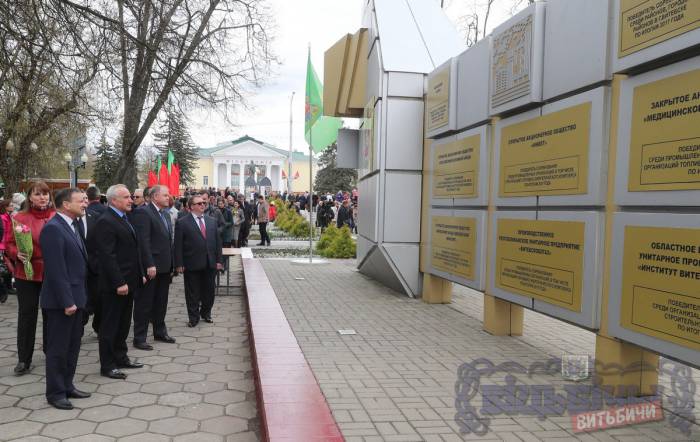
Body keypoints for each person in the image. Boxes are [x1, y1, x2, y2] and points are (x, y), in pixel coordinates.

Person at [39, 188, 91, 410]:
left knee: (72, 347)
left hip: (77, 297)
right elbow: (57, 271)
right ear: (65, 205)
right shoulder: (53, 229)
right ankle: (56, 392)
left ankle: (67, 385)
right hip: (62, 302)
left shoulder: (72, 225)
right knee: (58, 349)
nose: (85, 204)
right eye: (80, 201)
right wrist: (67, 301)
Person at [5, 181, 55, 375]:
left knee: (51, 313)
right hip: (26, 272)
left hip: (52, 271)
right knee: (27, 315)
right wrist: (16, 252)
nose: (42, 197)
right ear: (29, 197)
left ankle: (51, 351)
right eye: (37, 194)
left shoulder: (55, 216)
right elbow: (8, 243)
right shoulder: (19, 218)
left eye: (45, 194)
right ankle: (24, 359)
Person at [96, 184, 145, 379]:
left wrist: (138, 273)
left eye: (130, 197)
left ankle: (121, 356)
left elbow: (131, 251)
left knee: (124, 323)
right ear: (114, 200)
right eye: (126, 197)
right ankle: (107, 365)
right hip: (115, 286)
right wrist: (119, 282)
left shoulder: (124, 218)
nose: (131, 200)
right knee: (110, 325)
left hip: (129, 281)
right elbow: (107, 256)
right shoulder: (106, 221)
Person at [131, 185, 176, 351]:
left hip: (164, 266)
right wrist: (149, 264)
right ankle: (140, 337)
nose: (168, 197)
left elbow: (167, 240)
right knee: (145, 303)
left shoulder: (164, 213)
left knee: (161, 302)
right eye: (165, 195)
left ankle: (159, 331)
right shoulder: (144, 212)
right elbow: (144, 242)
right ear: (155, 196)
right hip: (152, 267)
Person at [174, 194, 223, 327]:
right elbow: (178, 245)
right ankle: (193, 318)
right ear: (191, 207)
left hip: (210, 263)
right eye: (199, 203)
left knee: (209, 291)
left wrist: (219, 260)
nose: (203, 205)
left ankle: (206, 313)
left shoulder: (212, 221)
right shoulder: (182, 222)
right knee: (192, 293)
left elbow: (218, 243)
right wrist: (179, 263)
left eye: (204, 203)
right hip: (192, 263)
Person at [0, 200, 15, 301]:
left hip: (6, 245)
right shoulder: (3, 217)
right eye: (11, 205)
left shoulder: (8, 216)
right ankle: (4, 289)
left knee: (7, 267)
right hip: (3, 245)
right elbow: (3, 232)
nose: (13, 207)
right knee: (5, 267)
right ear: (5, 207)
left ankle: (6, 288)